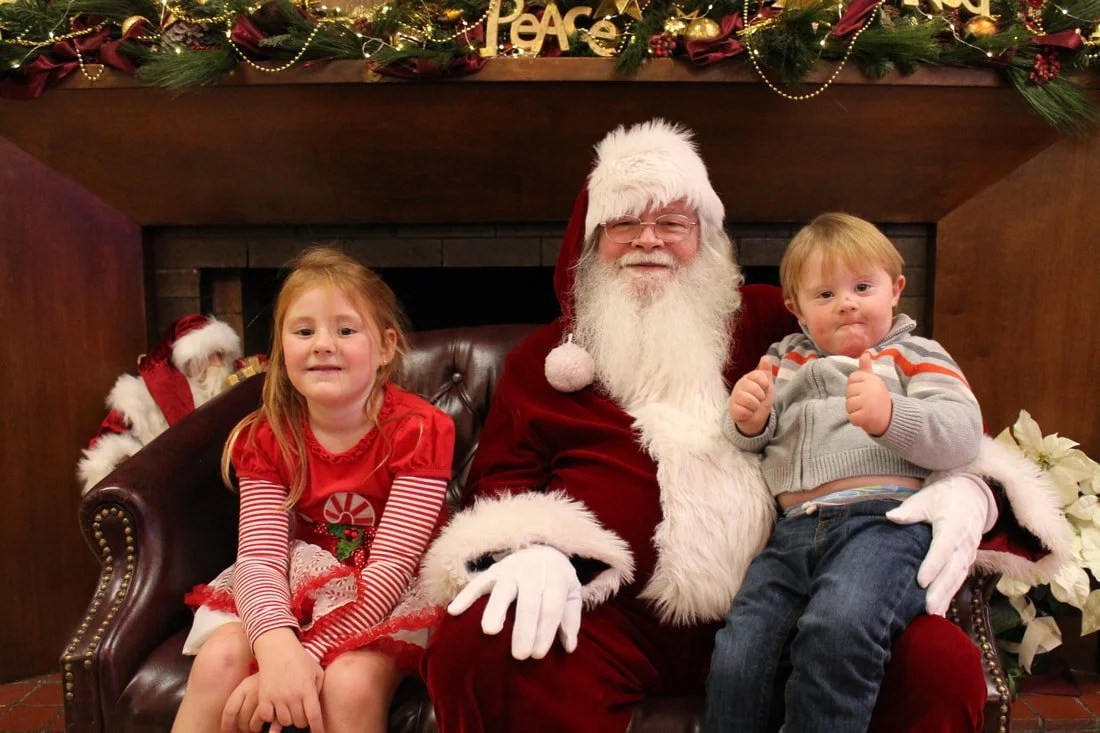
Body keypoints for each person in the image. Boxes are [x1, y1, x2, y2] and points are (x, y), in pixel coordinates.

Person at [418, 119, 1068, 733]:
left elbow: (896, 373)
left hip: (798, 599)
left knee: (938, 662)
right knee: (473, 643)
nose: (649, 239)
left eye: (672, 220)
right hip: (611, 620)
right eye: (624, 223)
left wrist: (970, 487)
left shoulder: (769, 322)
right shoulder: (543, 364)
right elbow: (503, 484)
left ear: (703, 235)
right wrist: (533, 548)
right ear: (590, 243)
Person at [703, 212, 988, 733]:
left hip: (882, 524)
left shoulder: (914, 355)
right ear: (796, 308)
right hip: (790, 535)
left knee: (840, 626)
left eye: (862, 286)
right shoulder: (783, 359)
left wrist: (891, 416)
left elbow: (962, 433)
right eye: (825, 295)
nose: (847, 303)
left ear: (896, 290)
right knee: (740, 649)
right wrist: (748, 419)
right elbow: (750, 437)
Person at [172, 247, 455, 733]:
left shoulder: (421, 430)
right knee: (220, 658)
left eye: (346, 330)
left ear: (386, 347)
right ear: (282, 348)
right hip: (298, 580)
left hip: (386, 591)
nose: (323, 344)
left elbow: (390, 569)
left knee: (348, 684)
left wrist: (303, 659)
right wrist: (276, 648)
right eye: (304, 331)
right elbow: (260, 559)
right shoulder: (267, 436)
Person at [77, 313, 242, 493]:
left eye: (222, 356)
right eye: (211, 356)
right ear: (188, 361)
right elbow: (106, 446)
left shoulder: (231, 389)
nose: (219, 364)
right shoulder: (140, 397)